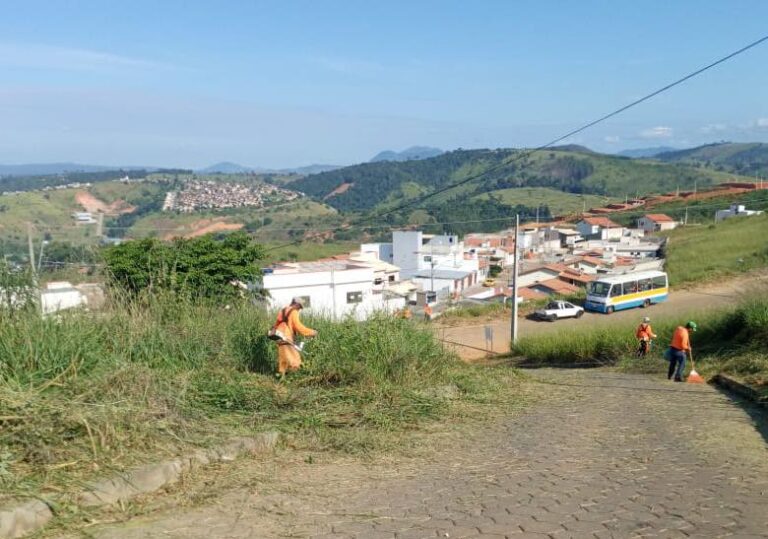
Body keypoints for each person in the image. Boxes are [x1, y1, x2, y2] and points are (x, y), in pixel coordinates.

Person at [273, 297, 317, 377]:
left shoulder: (283, 310)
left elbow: (276, 324)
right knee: (295, 358)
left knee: (284, 358)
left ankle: (281, 376)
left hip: (278, 335)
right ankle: (296, 376)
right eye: (300, 307)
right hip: (286, 336)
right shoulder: (294, 312)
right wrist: (311, 332)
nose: (300, 309)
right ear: (296, 304)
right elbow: (298, 326)